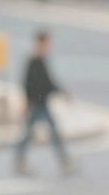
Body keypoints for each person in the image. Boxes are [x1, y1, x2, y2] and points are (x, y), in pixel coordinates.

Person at [14, 30, 77, 176]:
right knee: (33, 134)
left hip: (42, 104)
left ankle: (63, 161)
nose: (49, 46)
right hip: (36, 105)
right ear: (40, 43)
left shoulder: (41, 60)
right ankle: (63, 161)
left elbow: (49, 83)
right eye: (47, 43)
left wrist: (62, 93)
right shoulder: (34, 61)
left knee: (39, 134)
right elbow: (28, 84)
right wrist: (28, 102)